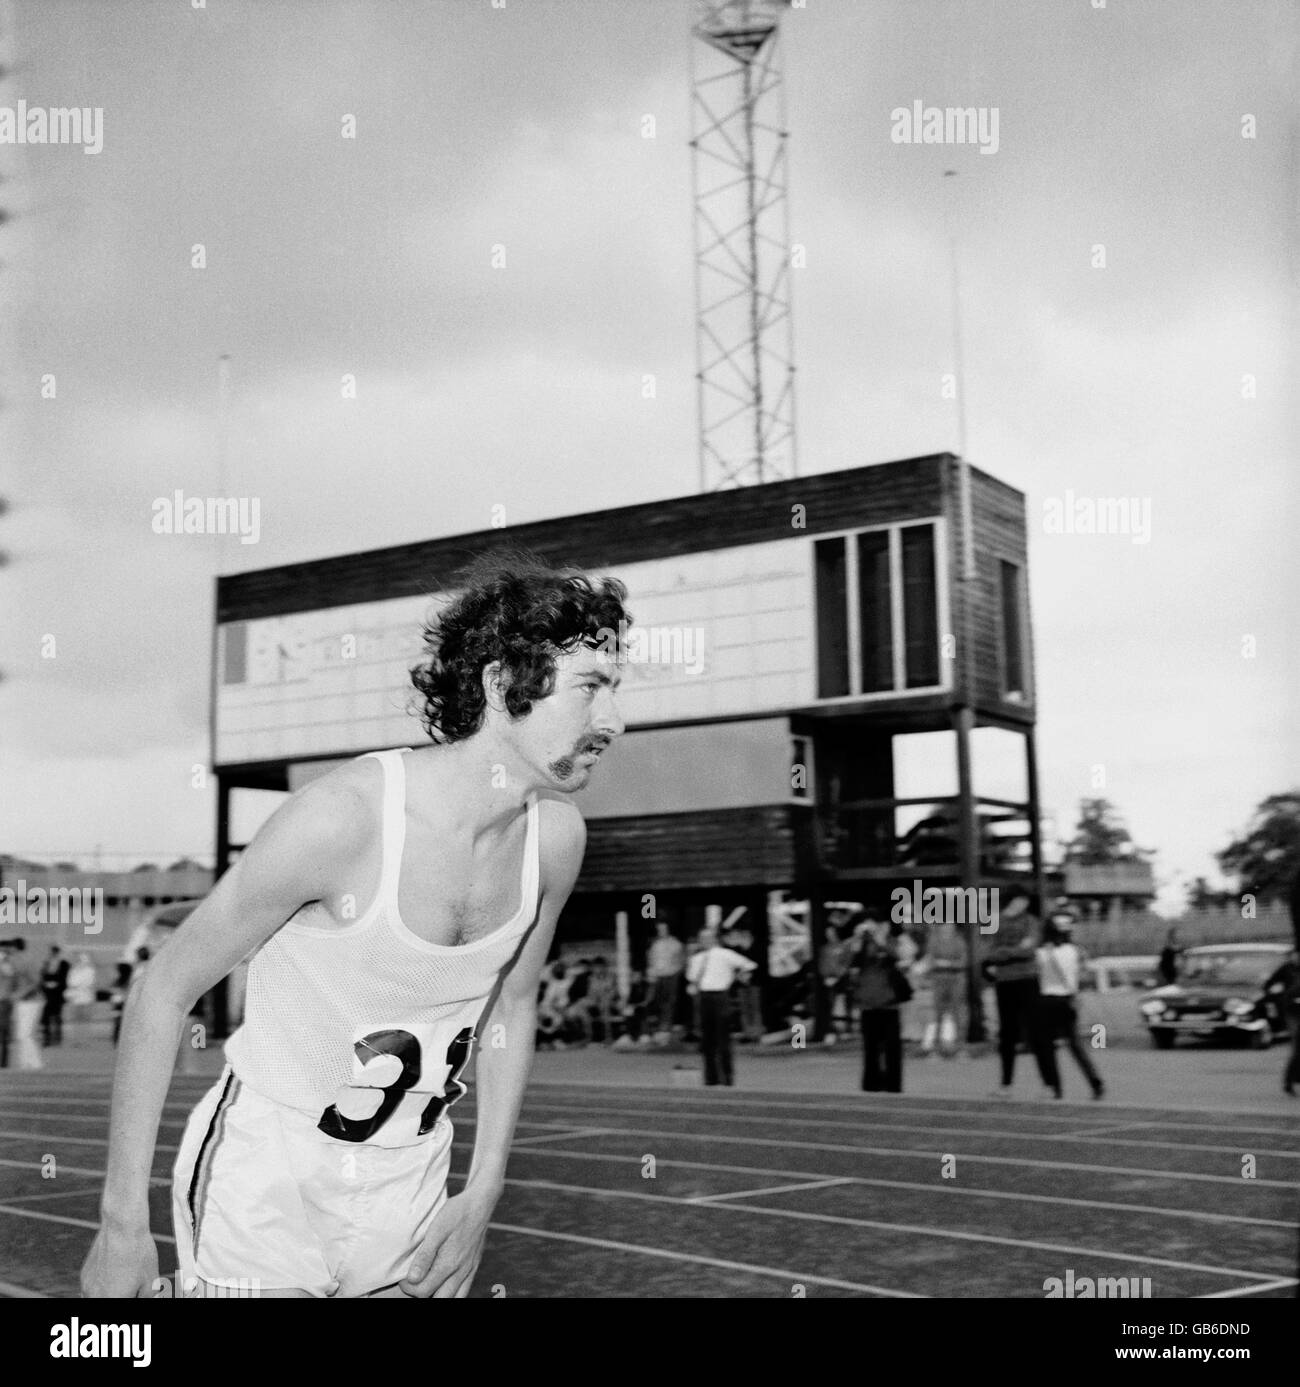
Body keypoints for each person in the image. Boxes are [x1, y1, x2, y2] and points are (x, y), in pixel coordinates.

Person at [81, 556, 629, 1299]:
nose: (613, 721)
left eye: (615, 691)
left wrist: (485, 1186)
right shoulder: (343, 821)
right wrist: (120, 1227)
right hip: (268, 1176)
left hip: (411, 1185)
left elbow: (514, 1005)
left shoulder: (556, 842)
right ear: (505, 684)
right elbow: (162, 990)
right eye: (590, 689)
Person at [985, 888, 1055, 1096]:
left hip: (1027, 980)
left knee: (1036, 1031)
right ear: (1011, 900)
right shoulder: (994, 920)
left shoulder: (1031, 921)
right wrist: (1014, 950)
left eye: (1025, 901)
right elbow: (988, 953)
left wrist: (1005, 952)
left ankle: (1048, 1084)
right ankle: (1006, 1084)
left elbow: (1030, 949)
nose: (1022, 905)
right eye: (1018, 900)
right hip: (1005, 982)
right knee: (1007, 1033)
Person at [1035, 916, 1104, 1100]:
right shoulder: (1075, 951)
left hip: (1048, 1000)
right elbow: (1083, 972)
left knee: (1047, 1046)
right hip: (1067, 1000)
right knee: (1074, 1044)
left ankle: (1055, 1088)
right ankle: (1094, 1081)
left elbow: (1038, 974)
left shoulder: (1042, 952)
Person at [685, 925, 756, 1086]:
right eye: (702, 938)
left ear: (714, 939)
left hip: (721, 996)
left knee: (723, 1039)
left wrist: (738, 977)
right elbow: (691, 978)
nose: (704, 941)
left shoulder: (725, 954)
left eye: (707, 937)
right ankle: (710, 1078)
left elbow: (749, 965)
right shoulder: (696, 959)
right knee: (707, 1040)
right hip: (704, 997)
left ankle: (727, 1077)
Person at [854, 918, 904, 1092]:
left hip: (889, 1004)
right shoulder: (860, 943)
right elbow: (850, 961)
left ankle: (893, 1085)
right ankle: (871, 1084)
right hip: (868, 1004)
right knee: (870, 1048)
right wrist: (858, 939)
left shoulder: (890, 940)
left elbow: (897, 956)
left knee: (892, 1049)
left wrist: (880, 940)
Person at [920, 919, 967, 1058]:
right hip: (939, 980)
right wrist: (949, 963)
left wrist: (944, 963)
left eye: (950, 927)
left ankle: (960, 1048)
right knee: (937, 1014)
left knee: (959, 1014)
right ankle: (936, 1048)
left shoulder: (959, 941)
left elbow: (963, 962)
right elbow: (931, 961)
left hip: (956, 980)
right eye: (945, 927)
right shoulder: (933, 941)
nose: (948, 929)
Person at [1263, 949, 1300, 1097]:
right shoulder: (1287, 969)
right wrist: (1274, 996)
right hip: (1293, 1012)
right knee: (1297, 1046)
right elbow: (1269, 984)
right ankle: (1290, 1081)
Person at [7, 940, 44, 1070]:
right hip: (23, 1002)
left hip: (32, 1001)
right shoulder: (14, 962)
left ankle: (34, 1064)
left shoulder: (27, 961)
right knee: (21, 1034)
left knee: (25, 1034)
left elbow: (35, 982)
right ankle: (25, 1064)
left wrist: (20, 994)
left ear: (15, 948)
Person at [646, 920, 685, 1042]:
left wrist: (675, 971)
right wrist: (651, 971)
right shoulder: (655, 944)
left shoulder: (676, 944)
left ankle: (666, 1027)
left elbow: (681, 961)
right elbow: (651, 959)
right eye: (659, 929)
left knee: (669, 1002)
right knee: (656, 1001)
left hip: (670, 975)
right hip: (658, 976)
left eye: (663, 929)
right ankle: (656, 1028)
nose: (661, 931)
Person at [41, 945, 71, 1047]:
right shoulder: (47, 963)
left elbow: (64, 978)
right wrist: (46, 985)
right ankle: (47, 1038)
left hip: (57, 993)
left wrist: (56, 984)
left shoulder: (64, 964)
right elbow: (42, 976)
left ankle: (57, 1037)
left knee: (57, 1016)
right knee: (46, 1016)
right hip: (48, 993)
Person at [66, 952, 97, 1048]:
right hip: (76, 998)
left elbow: (89, 982)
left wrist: (79, 985)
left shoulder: (90, 971)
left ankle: (85, 1040)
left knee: (86, 1020)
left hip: (87, 998)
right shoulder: (73, 970)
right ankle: (77, 1040)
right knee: (77, 1020)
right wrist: (79, 985)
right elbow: (70, 982)